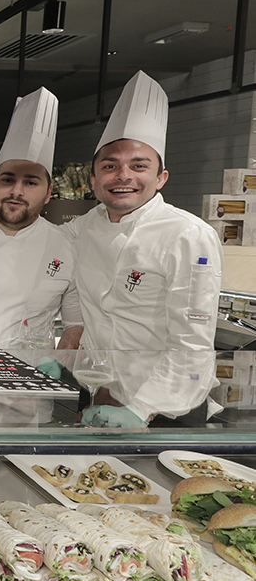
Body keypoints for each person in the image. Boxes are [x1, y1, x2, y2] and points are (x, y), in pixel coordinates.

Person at [63, 71, 223, 427]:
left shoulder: (188, 235)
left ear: (161, 177)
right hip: (102, 398)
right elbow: (32, 236)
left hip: (167, 409)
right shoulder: (83, 228)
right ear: (93, 179)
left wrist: (140, 409)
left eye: (139, 166)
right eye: (110, 166)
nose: (123, 176)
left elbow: (192, 344)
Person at [0, 87, 84, 424]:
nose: (17, 191)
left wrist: (59, 361)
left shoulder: (66, 246)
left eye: (31, 182)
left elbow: (75, 323)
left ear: (48, 193)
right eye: (8, 179)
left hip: (30, 399)